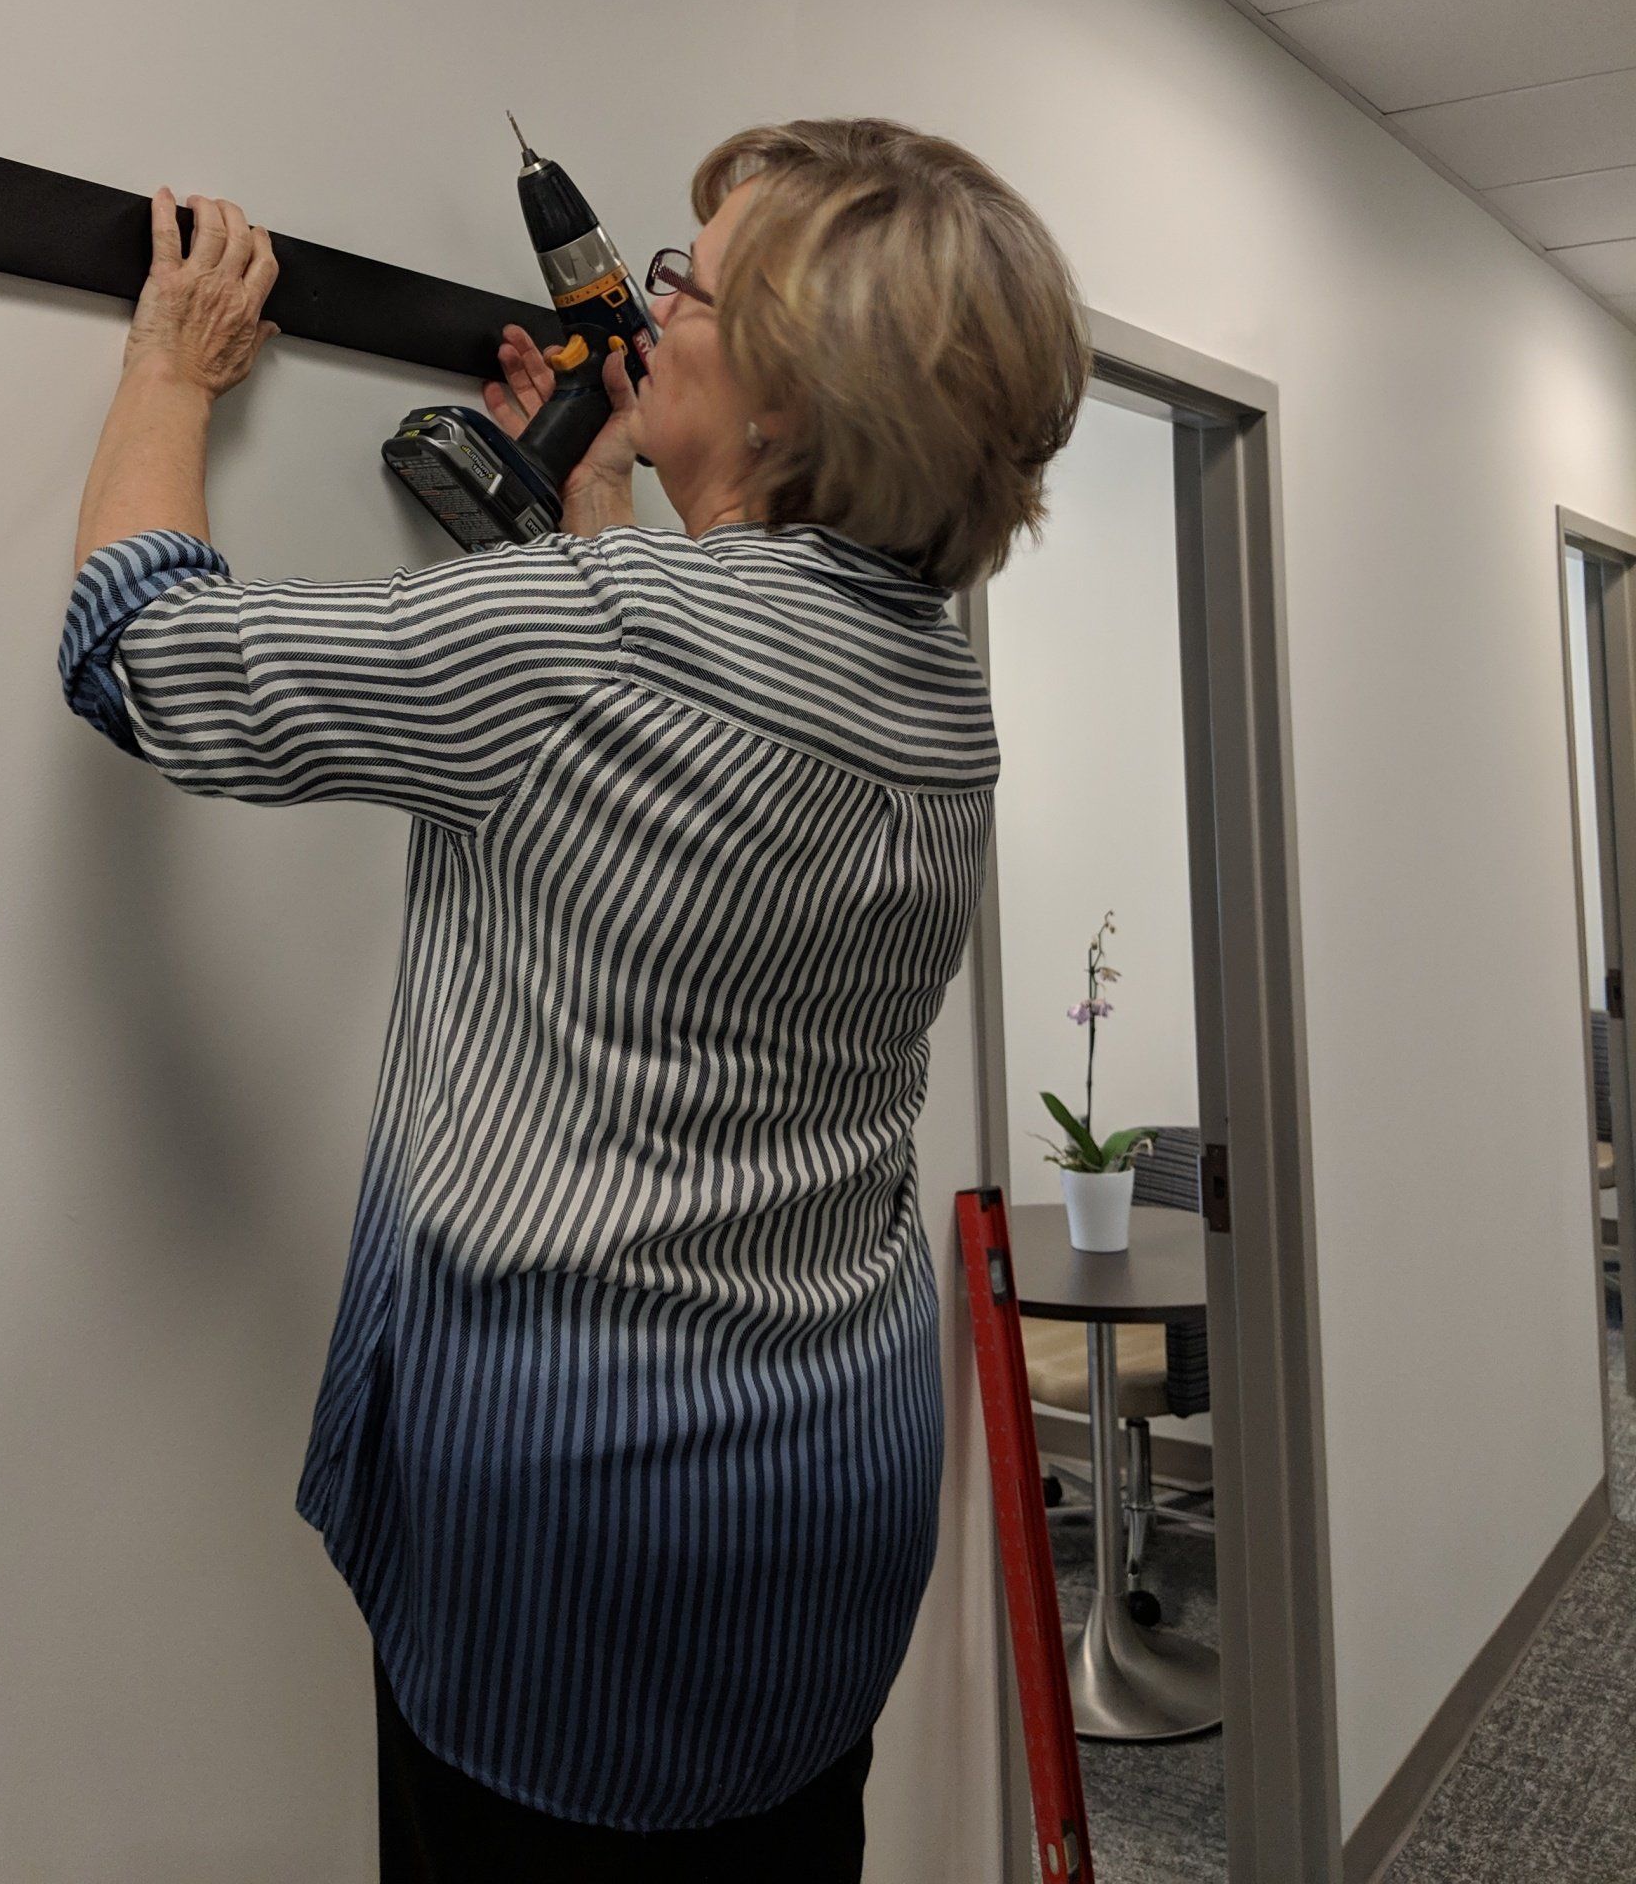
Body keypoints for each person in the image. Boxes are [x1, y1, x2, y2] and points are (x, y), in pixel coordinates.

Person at [58, 117, 1090, 1881]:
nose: (653, 305)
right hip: (831, 1484)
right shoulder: (946, 700)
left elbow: (150, 655)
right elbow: (690, 813)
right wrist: (611, 498)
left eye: (693, 285)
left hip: (580, 1527)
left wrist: (171, 367)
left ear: (784, 406)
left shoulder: (586, 635)